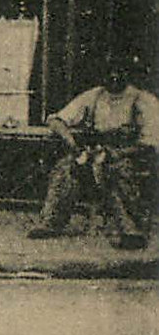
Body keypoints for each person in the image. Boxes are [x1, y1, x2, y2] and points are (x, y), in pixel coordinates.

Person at [27, 55, 158, 250]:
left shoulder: (144, 100)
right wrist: (72, 144)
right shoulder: (95, 95)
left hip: (133, 156)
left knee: (117, 170)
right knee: (65, 167)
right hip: (97, 153)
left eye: (119, 72)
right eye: (109, 73)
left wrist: (118, 153)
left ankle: (132, 230)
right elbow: (56, 120)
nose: (113, 77)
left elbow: (150, 142)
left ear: (129, 74)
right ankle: (51, 223)